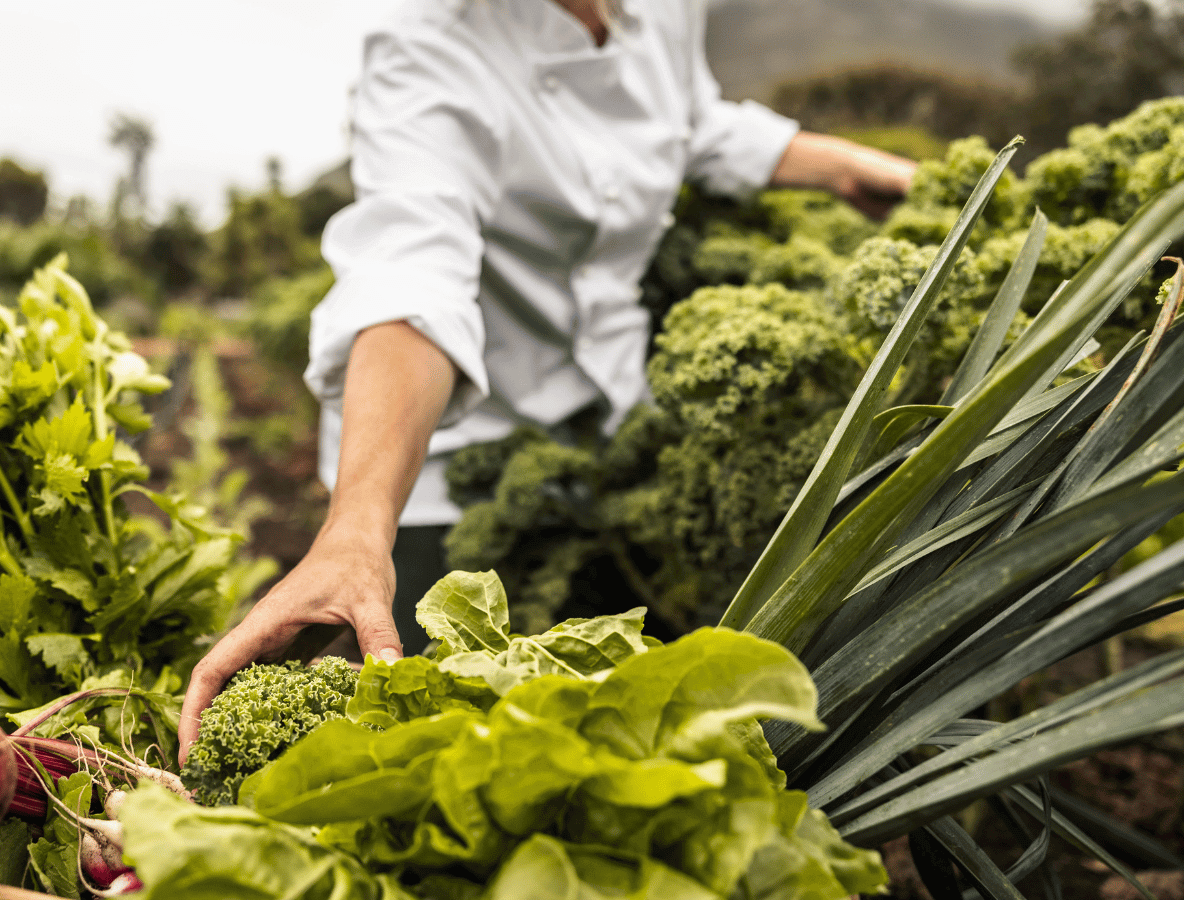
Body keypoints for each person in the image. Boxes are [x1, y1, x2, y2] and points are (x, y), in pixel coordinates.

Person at [179, 0, 916, 754]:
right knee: (454, 757)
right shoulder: (428, 54)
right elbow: (411, 277)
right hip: (448, 454)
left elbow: (687, 118)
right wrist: (356, 531)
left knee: (643, 745)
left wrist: (840, 164)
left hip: (615, 433)